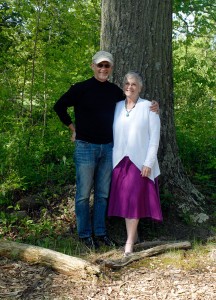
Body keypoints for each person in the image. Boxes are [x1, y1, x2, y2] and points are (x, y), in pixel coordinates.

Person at [54, 51, 159, 249]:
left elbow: (133, 104)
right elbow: (59, 106)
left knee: (103, 194)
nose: (103, 69)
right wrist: (72, 128)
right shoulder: (80, 88)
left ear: (111, 69)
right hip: (85, 147)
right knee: (84, 194)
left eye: (107, 66)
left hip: (109, 149)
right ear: (93, 66)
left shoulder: (115, 92)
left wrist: (153, 106)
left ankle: (101, 233)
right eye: (100, 65)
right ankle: (85, 234)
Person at [108, 71, 163, 256]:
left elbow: (155, 138)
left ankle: (129, 243)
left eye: (134, 84)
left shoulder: (149, 107)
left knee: (133, 202)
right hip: (119, 161)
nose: (129, 87)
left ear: (140, 88)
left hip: (139, 163)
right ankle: (134, 235)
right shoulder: (116, 107)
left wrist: (149, 162)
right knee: (126, 201)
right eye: (127, 83)